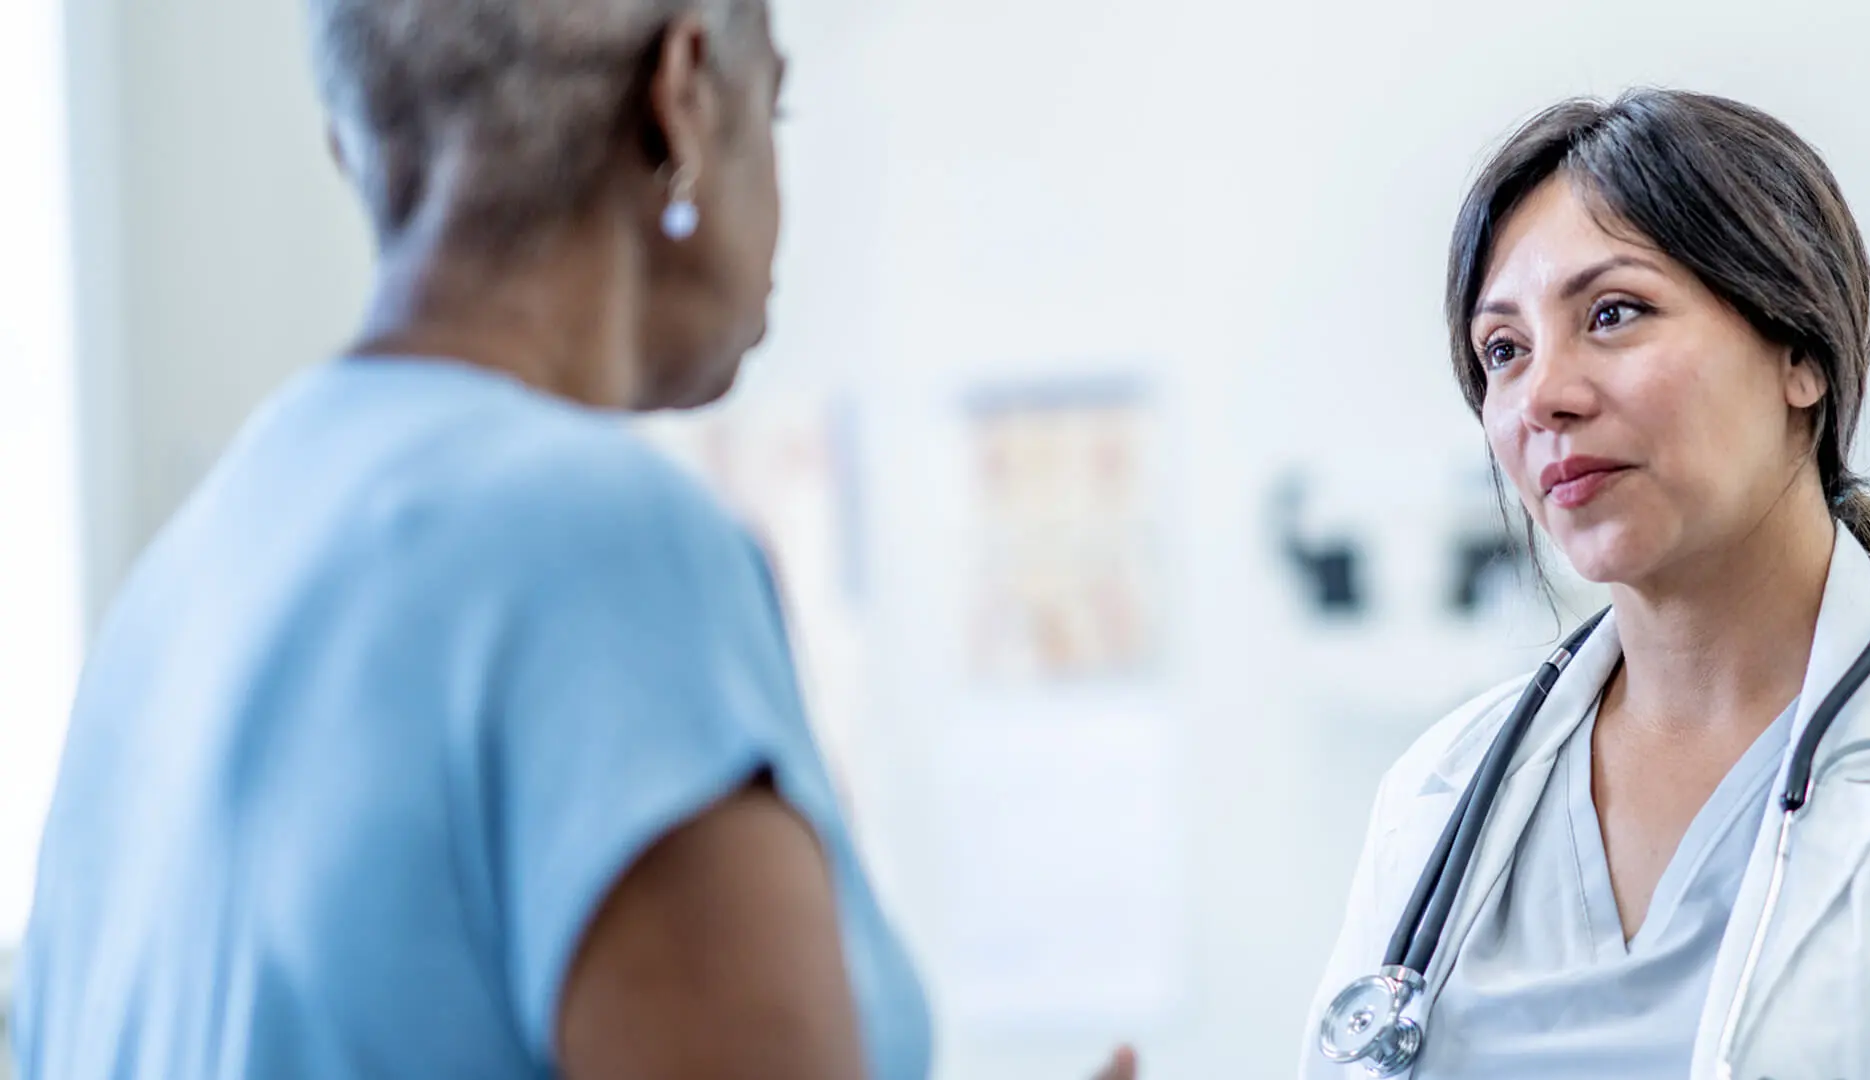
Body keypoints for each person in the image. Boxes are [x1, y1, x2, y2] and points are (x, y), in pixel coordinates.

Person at [10, 3, 1134, 1079]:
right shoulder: (607, 557)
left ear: (354, 147)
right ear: (680, 97)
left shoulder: (173, 593)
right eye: (775, 110)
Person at [1301, 90, 1870, 1080]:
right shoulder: (1438, 795)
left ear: (1798, 352)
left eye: (1612, 313)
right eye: (1501, 350)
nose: (1543, 395)